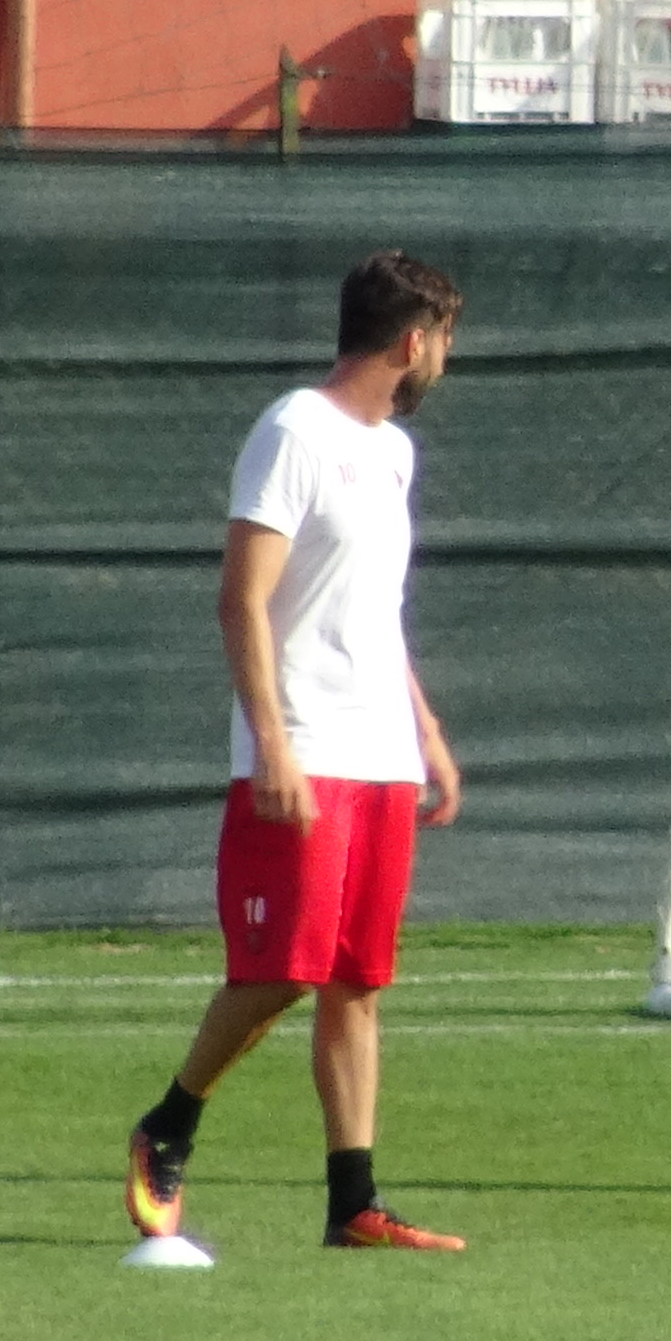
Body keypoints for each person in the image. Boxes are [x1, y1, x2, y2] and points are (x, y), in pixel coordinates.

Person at [125, 251, 471, 1252]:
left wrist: (427, 731)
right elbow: (242, 596)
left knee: (357, 979)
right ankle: (170, 1120)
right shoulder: (293, 430)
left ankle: (352, 1203)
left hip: (380, 756)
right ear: (413, 340)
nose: (445, 356)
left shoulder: (394, 452)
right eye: (443, 337)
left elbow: (376, 611)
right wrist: (270, 738)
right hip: (304, 748)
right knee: (281, 969)